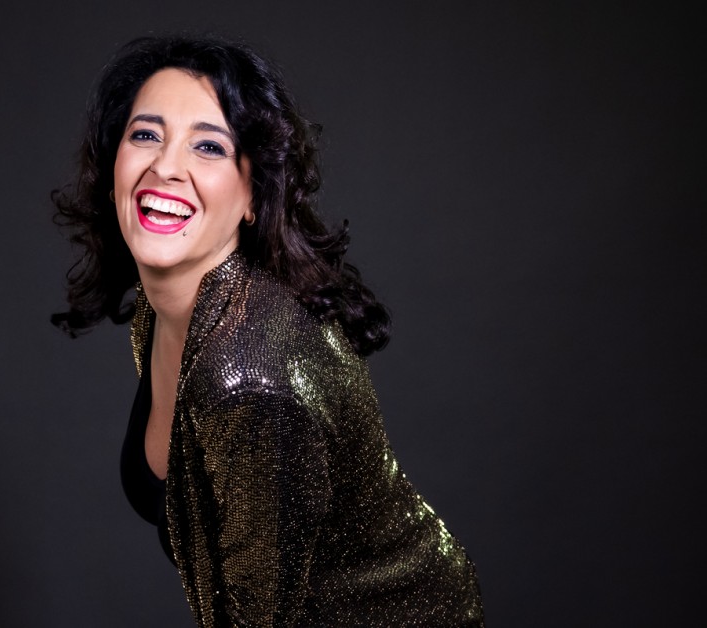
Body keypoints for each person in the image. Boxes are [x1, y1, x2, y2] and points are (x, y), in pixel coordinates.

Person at [52, 34, 484, 627]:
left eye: (209, 146)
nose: (166, 166)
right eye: (146, 135)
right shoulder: (167, 312)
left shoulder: (249, 381)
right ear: (112, 167)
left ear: (254, 195)